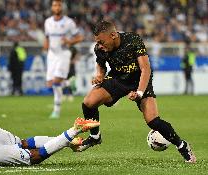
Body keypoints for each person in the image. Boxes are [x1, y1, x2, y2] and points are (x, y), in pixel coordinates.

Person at [76, 20, 196, 163]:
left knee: (153, 121)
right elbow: (101, 66)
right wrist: (99, 76)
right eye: (98, 42)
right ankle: (95, 137)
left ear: (113, 35)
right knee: (88, 102)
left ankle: (182, 146)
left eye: (102, 41)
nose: (100, 45)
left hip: (140, 80)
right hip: (118, 79)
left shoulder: (132, 40)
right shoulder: (100, 48)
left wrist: (139, 92)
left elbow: (145, 68)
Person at [43, 0, 84, 118]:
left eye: (59, 5)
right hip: (52, 55)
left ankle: (56, 110)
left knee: (56, 81)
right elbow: (47, 37)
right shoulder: (47, 22)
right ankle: (68, 82)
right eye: (54, 5)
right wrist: (45, 46)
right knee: (50, 84)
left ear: (62, 7)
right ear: (52, 7)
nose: (56, 7)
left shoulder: (69, 22)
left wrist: (69, 41)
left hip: (63, 54)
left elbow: (80, 37)